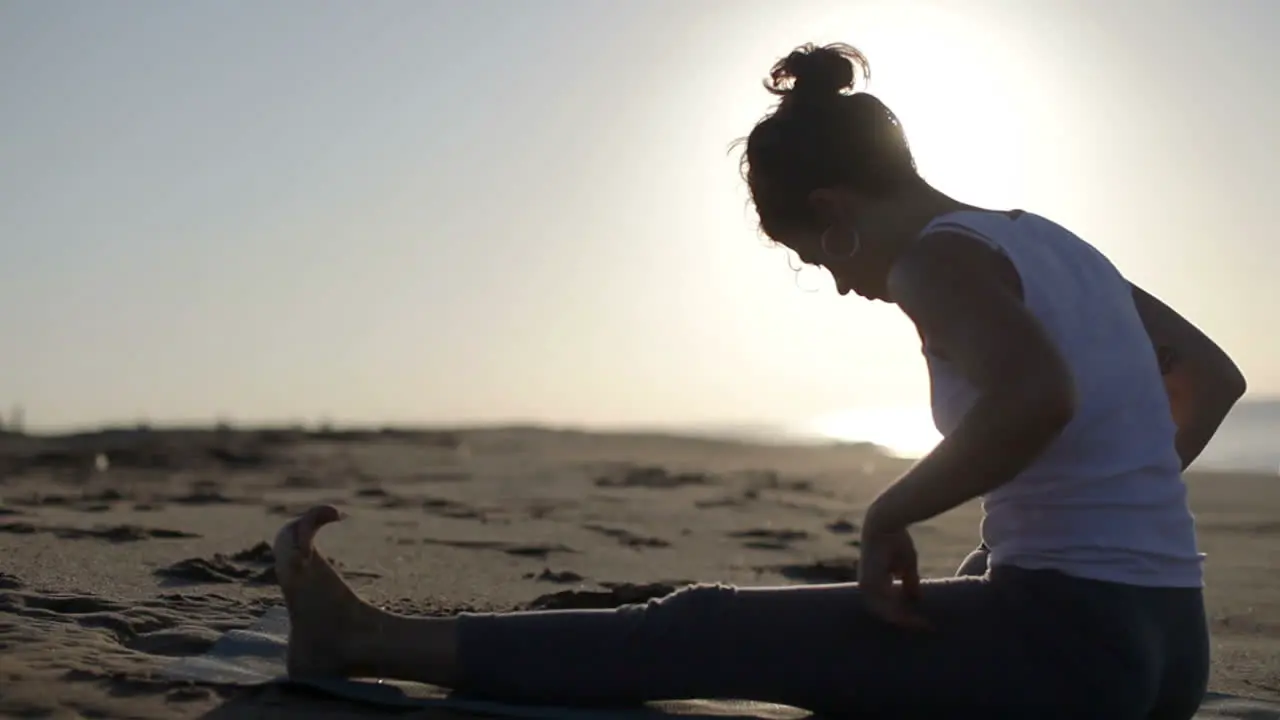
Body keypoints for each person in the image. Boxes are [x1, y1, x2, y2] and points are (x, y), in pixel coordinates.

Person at [274, 42, 1246, 719]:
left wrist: (884, 517)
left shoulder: (932, 261)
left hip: (1070, 656)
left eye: (813, 257)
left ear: (833, 212)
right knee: (963, 587)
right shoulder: (1046, 240)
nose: (835, 283)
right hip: (1168, 651)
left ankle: (361, 642)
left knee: (705, 630)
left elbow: (1034, 398)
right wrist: (1117, 493)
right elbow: (1212, 374)